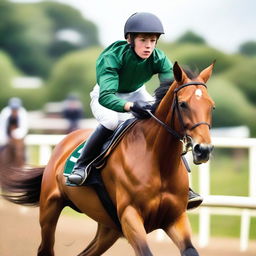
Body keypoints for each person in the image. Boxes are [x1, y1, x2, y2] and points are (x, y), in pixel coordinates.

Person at [67, 12, 203, 208]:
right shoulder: (112, 57)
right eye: (143, 40)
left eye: (153, 40)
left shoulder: (158, 57)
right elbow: (107, 96)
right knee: (112, 122)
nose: (149, 45)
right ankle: (82, 165)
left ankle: (184, 186)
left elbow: (171, 88)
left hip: (137, 92)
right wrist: (130, 107)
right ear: (130, 39)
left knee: (163, 121)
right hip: (106, 95)